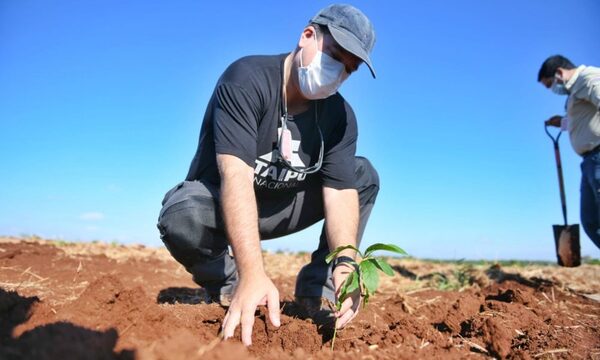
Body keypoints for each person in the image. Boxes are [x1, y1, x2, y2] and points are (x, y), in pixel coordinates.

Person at [157, 4, 380, 346]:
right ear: (308, 36)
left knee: (362, 176)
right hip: (222, 205)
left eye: (348, 70)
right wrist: (252, 273)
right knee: (181, 212)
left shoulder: (340, 117)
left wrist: (347, 265)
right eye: (335, 56)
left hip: (283, 207)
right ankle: (229, 285)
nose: (336, 74)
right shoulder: (247, 79)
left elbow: (339, 193)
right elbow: (235, 176)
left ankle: (317, 288)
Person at [539, 55, 600, 250]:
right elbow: (585, 119)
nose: (552, 90)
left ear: (559, 73)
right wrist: (563, 122)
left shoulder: (588, 78)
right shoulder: (574, 93)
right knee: (592, 222)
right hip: (589, 161)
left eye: (550, 85)